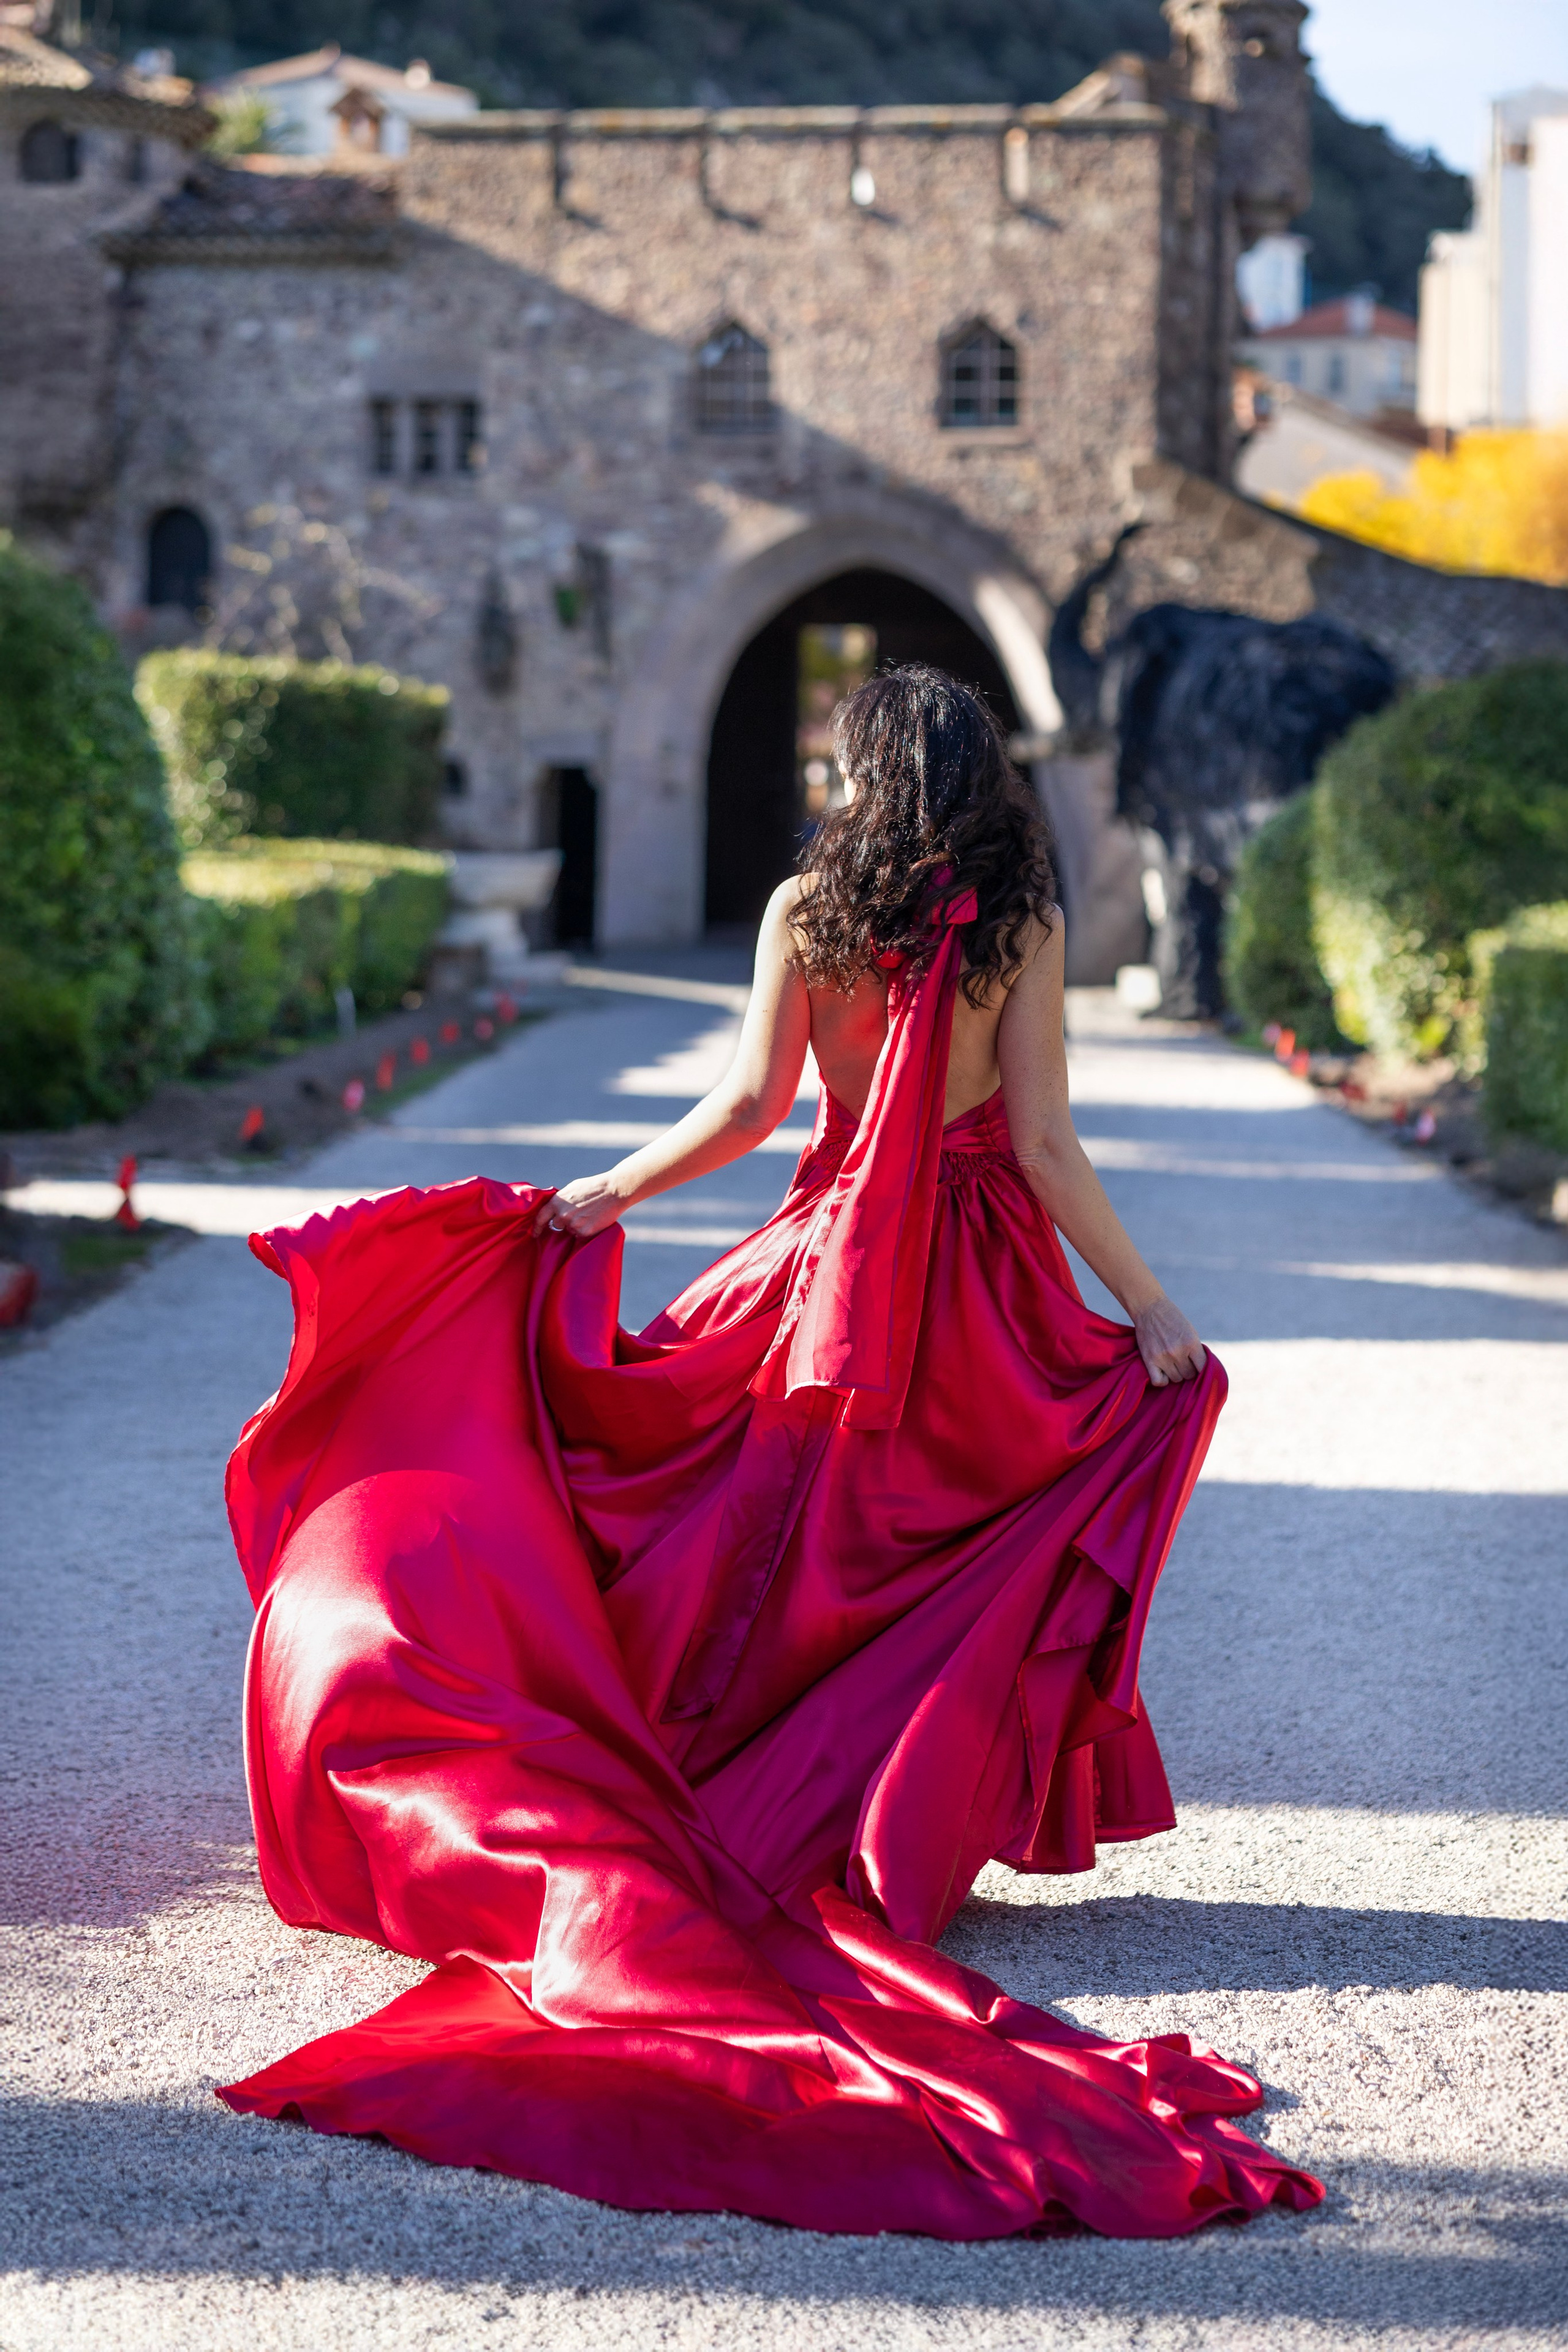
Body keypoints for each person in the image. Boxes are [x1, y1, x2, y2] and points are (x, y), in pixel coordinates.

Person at [219, 667, 1322, 2239]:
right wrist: (1148, 1312)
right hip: (979, 1287)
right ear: (986, 778)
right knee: (936, 1561)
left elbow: (744, 1107)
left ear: (858, 768)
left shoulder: (808, 907)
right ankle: (871, 1835)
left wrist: (597, 1194)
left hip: (824, 1291)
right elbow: (1043, 1146)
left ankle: (697, 1781)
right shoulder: (1022, 920)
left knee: (721, 1515)